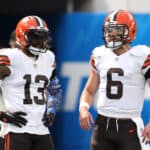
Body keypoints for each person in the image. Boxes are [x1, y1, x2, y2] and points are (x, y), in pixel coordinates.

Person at [79, 9, 150, 150]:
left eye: (117, 31)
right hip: (102, 127)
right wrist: (83, 109)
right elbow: (89, 90)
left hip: (129, 125)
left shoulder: (142, 56)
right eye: (109, 30)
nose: (111, 35)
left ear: (130, 32)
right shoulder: (99, 55)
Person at [0, 15, 59, 150]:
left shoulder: (49, 57)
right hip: (16, 129)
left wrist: (51, 109)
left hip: (41, 129)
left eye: (42, 37)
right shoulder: (11, 57)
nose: (40, 41)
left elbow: (55, 88)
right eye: (35, 37)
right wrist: (1, 113)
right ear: (21, 36)